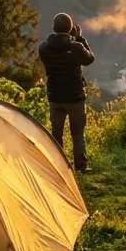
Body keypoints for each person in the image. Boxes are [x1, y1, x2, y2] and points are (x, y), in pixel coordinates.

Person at [39, 12, 95, 172]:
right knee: (77, 133)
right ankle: (81, 166)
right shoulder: (75, 47)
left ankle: (59, 166)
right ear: (70, 28)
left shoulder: (43, 48)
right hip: (75, 96)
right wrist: (80, 38)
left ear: (54, 28)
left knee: (56, 134)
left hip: (55, 96)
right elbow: (89, 59)